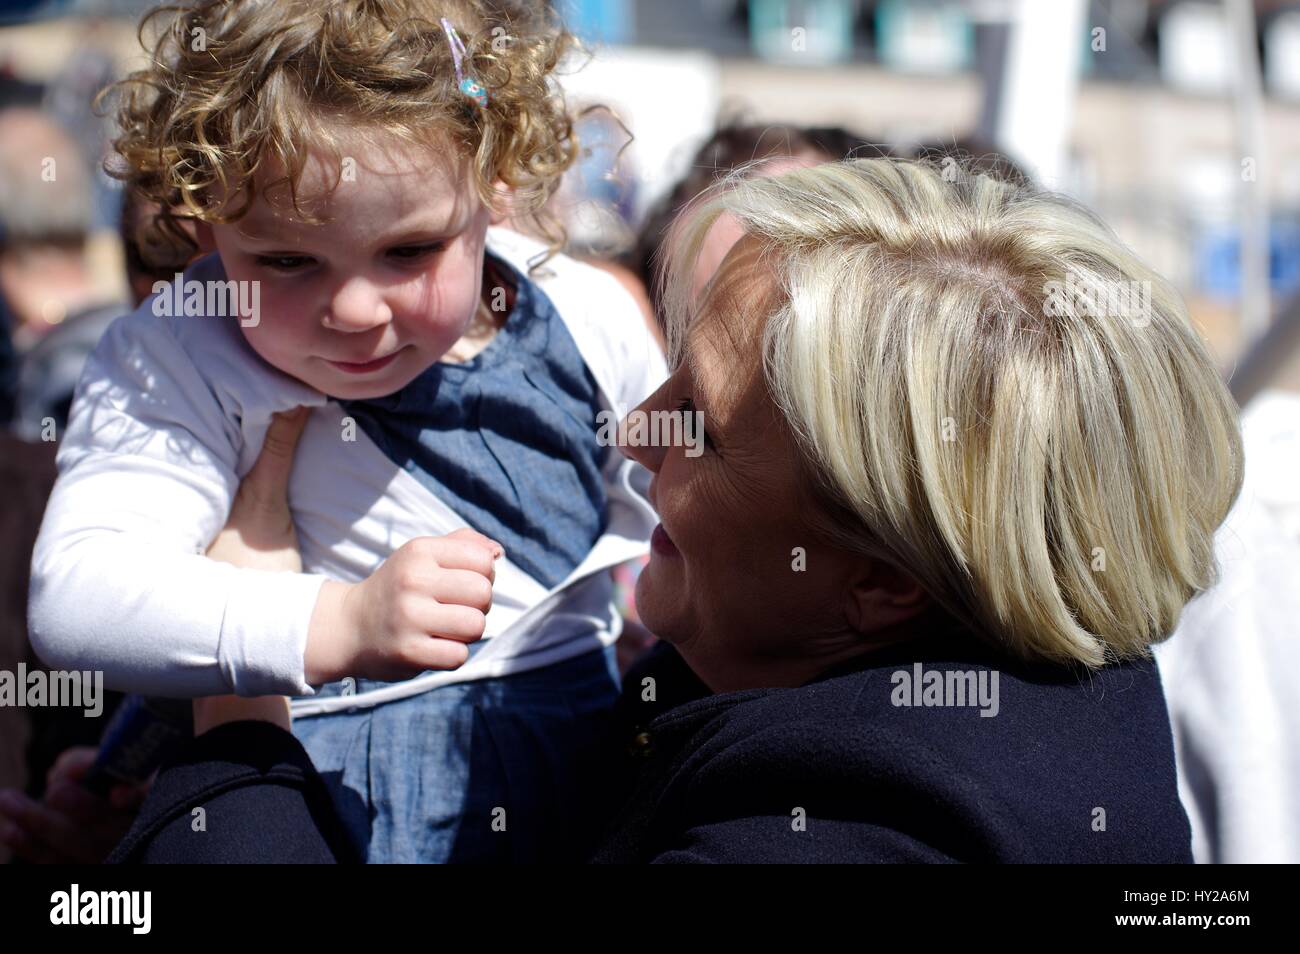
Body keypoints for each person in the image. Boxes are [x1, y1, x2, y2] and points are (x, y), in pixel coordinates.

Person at [112, 156, 1240, 862]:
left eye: (696, 421)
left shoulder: (872, 829)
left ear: (886, 577)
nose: (633, 431)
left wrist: (241, 721)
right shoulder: (1000, 694)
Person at [28, 0, 664, 863]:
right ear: (205, 210)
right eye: (286, 261)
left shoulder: (587, 317)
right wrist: (337, 622)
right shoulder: (181, 350)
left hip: (585, 794)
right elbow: (80, 595)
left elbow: (698, 516)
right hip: (318, 810)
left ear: (497, 184)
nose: (356, 311)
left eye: (411, 251)